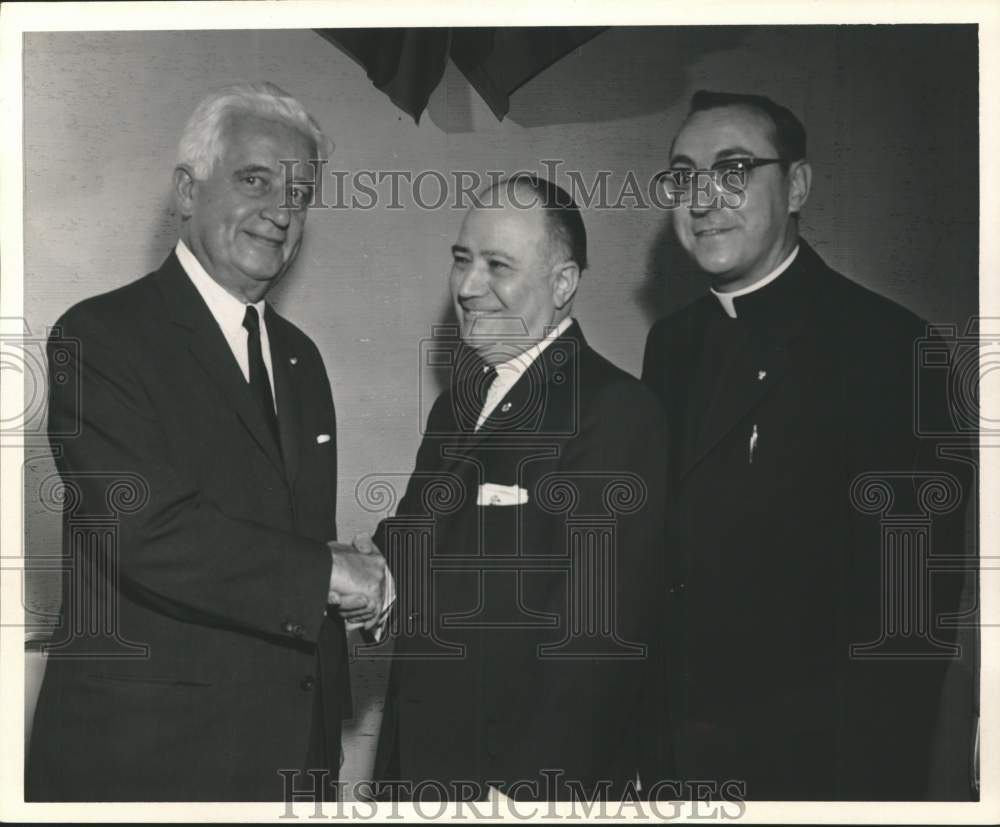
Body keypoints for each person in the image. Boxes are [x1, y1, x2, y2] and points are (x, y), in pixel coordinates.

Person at [26, 81, 387, 802]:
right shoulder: (97, 337)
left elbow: (290, 542)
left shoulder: (300, 358)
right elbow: (145, 531)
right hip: (147, 762)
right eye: (255, 179)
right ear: (187, 192)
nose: (282, 213)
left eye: (301, 194)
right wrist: (331, 572)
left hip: (289, 761)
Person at [641, 90, 972, 800]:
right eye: (683, 175)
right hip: (681, 759)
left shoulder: (892, 348)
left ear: (796, 187)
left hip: (813, 769)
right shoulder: (670, 343)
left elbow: (908, 628)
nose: (702, 199)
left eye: (733, 170)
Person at [369, 176, 670, 801]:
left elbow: (599, 636)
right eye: (461, 260)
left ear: (563, 285)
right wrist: (346, 574)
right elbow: (412, 541)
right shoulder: (459, 403)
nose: (468, 288)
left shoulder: (613, 411)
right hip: (421, 772)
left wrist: (529, 796)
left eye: (497, 266)